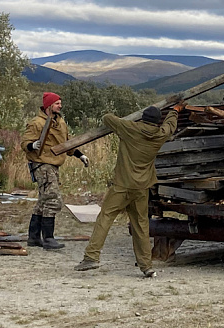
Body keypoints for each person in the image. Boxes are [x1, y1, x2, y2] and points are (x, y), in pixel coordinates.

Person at [74, 102, 185, 277]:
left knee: (106, 217)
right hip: (142, 188)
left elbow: (107, 118)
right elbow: (170, 126)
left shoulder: (128, 128)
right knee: (141, 225)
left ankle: (91, 257)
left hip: (122, 185)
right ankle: (146, 266)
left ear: (143, 118)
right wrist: (175, 111)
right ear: (157, 122)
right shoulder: (160, 134)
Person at [22, 92, 89, 250]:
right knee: (53, 200)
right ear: (49, 106)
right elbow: (25, 142)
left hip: (53, 165)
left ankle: (33, 237)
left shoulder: (60, 122)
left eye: (60, 103)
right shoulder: (37, 123)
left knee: (43, 201)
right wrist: (33, 145)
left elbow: (66, 143)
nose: (60, 106)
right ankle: (49, 239)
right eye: (57, 103)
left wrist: (80, 155)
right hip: (42, 165)